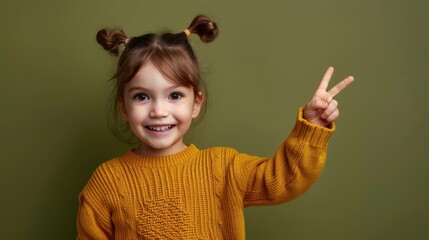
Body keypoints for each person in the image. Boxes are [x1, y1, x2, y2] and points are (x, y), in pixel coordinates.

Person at [76, 15, 354, 239]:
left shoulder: (222, 168)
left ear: (195, 103)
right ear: (124, 106)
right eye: (142, 96)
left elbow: (283, 180)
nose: (159, 111)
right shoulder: (107, 182)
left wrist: (311, 126)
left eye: (174, 96)